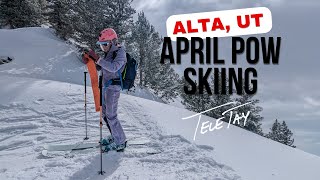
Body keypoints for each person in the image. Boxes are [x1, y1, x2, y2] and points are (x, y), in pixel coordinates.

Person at [86, 28, 127, 151]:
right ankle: (115, 135)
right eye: (101, 45)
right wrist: (91, 61)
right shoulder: (109, 53)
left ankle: (120, 142)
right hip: (105, 87)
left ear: (113, 42)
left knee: (111, 115)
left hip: (113, 88)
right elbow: (103, 68)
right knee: (105, 114)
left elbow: (114, 68)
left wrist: (98, 59)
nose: (103, 47)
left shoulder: (120, 52)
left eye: (104, 44)